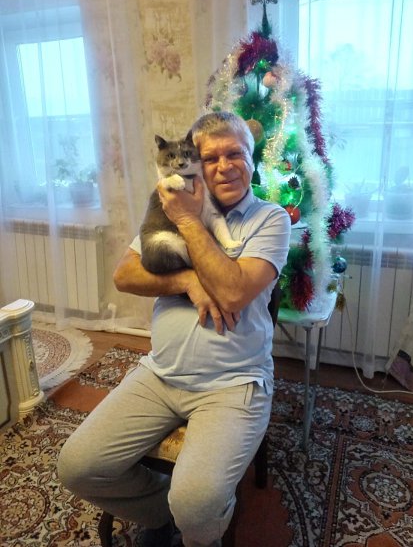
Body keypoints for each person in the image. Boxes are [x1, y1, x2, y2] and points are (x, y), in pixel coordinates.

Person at [58, 111, 291, 547]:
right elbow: (125, 275)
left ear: (252, 158)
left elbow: (233, 292)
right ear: (196, 161)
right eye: (211, 157)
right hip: (160, 374)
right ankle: (161, 513)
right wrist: (185, 280)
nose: (224, 166)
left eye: (235, 154)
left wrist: (188, 221)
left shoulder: (270, 219)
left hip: (233, 383)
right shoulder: (170, 201)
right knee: (77, 467)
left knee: (197, 503)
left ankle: (196, 524)